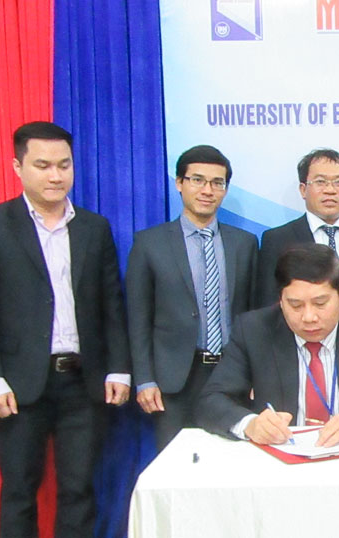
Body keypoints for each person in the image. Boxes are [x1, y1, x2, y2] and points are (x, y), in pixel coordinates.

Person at [0, 121, 131, 537]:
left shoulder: (94, 227)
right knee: (19, 490)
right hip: (18, 384)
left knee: (79, 490)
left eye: (64, 165)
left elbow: (111, 304)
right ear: (17, 167)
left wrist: (119, 368)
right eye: (42, 165)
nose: (55, 175)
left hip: (84, 381)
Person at [197, 243, 339, 447]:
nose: (309, 317)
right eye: (295, 305)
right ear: (280, 300)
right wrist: (250, 424)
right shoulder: (254, 329)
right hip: (282, 456)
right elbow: (212, 400)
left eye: (320, 303)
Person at [127, 145, 259, 451]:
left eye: (217, 182)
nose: (207, 190)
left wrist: (256, 373)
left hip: (232, 374)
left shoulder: (245, 244)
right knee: (178, 467)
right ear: (179, 183)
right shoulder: (149, 243)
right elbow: (137, 318)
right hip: (174, 379)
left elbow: (254, 314)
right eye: (197, 180)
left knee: (231, 464)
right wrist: (145, 380)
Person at [255, 148, 339, 306]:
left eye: (338, 182)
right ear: (303, 190)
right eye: (320, 182)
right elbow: (268, 303)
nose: (330, 190)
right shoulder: (277, 239)